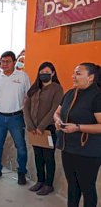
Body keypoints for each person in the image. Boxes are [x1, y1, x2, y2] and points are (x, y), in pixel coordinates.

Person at [53, 63, 101, 207]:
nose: (73, 76)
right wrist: (58, 121)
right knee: (72, 187)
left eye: (78, 73)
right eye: (74, 73)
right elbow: (57, 113)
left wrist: (78, 128)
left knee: (87, 188)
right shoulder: (70, 93)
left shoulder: (97, 97)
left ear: (91, 77)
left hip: (88, 151)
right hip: (69, 148)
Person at [0, 51, 30, 185]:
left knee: (21, 147)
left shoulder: (23, 77)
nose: (4, 64)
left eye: (8, 61)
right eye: (3, 61)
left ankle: (21, 172)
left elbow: (28, 97)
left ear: (14, 62)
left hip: (16, 118)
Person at [24, 62, 63, 195]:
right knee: (37, 156)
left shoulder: (57, 89)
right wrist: (30, 125)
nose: (44, 74)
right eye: (41, 72)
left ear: (52, 73)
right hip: (33, 129)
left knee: (48, 157)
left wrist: (41, 127)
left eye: (47, 72)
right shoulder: (34, 88)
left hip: (48, 130)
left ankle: (48, 184)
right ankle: (40, 181)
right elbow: (26, 107)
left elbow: (54, 109)